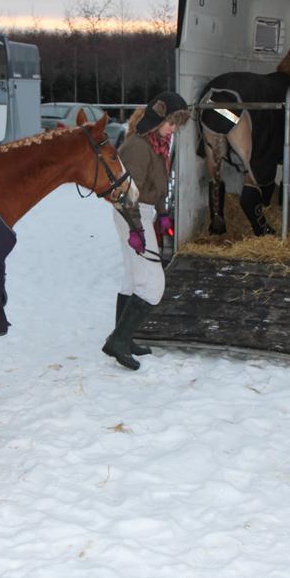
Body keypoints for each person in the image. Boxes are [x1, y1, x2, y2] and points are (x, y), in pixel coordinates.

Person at [102, 91, 190, 370]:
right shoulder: (137, 148)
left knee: (132, 278)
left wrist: (162, 215)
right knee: (153, 284)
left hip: (143, 213)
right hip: (132, 214)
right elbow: (126, 195)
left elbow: (158, 185)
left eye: (177, 124)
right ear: (157, 119)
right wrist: (137, 229)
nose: (174, 129)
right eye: (171, 123)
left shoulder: (157, 144)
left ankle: (122, 339)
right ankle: (119, 340)